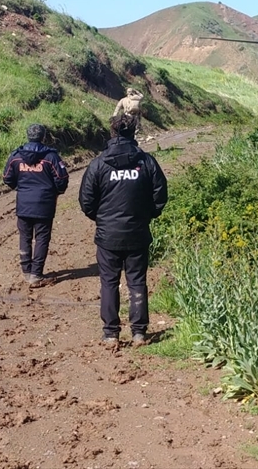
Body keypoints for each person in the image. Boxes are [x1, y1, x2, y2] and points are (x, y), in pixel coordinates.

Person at [78, 113, 168, 348]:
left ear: (113, 132)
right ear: (133, 133)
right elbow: (160, 195)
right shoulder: (146, 162)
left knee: (109, 282)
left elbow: (86, 201)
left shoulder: (98, 164)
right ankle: (139, 332)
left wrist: (102, 219)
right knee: (137, 281)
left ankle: (111, 334)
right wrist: (147, 216)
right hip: (137, 232)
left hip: (108, 235)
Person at [2, 123, 69, 287]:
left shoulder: (16, 156)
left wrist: (21, 188)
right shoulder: (51, 156)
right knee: (42, 239)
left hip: (23, 204)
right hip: (45, 205)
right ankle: (36, 274)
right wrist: (56, 192)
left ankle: (26, 271)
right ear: (43, 137)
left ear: (28, 135)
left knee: (25, 237)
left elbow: (7, 178)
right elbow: (62, 179)